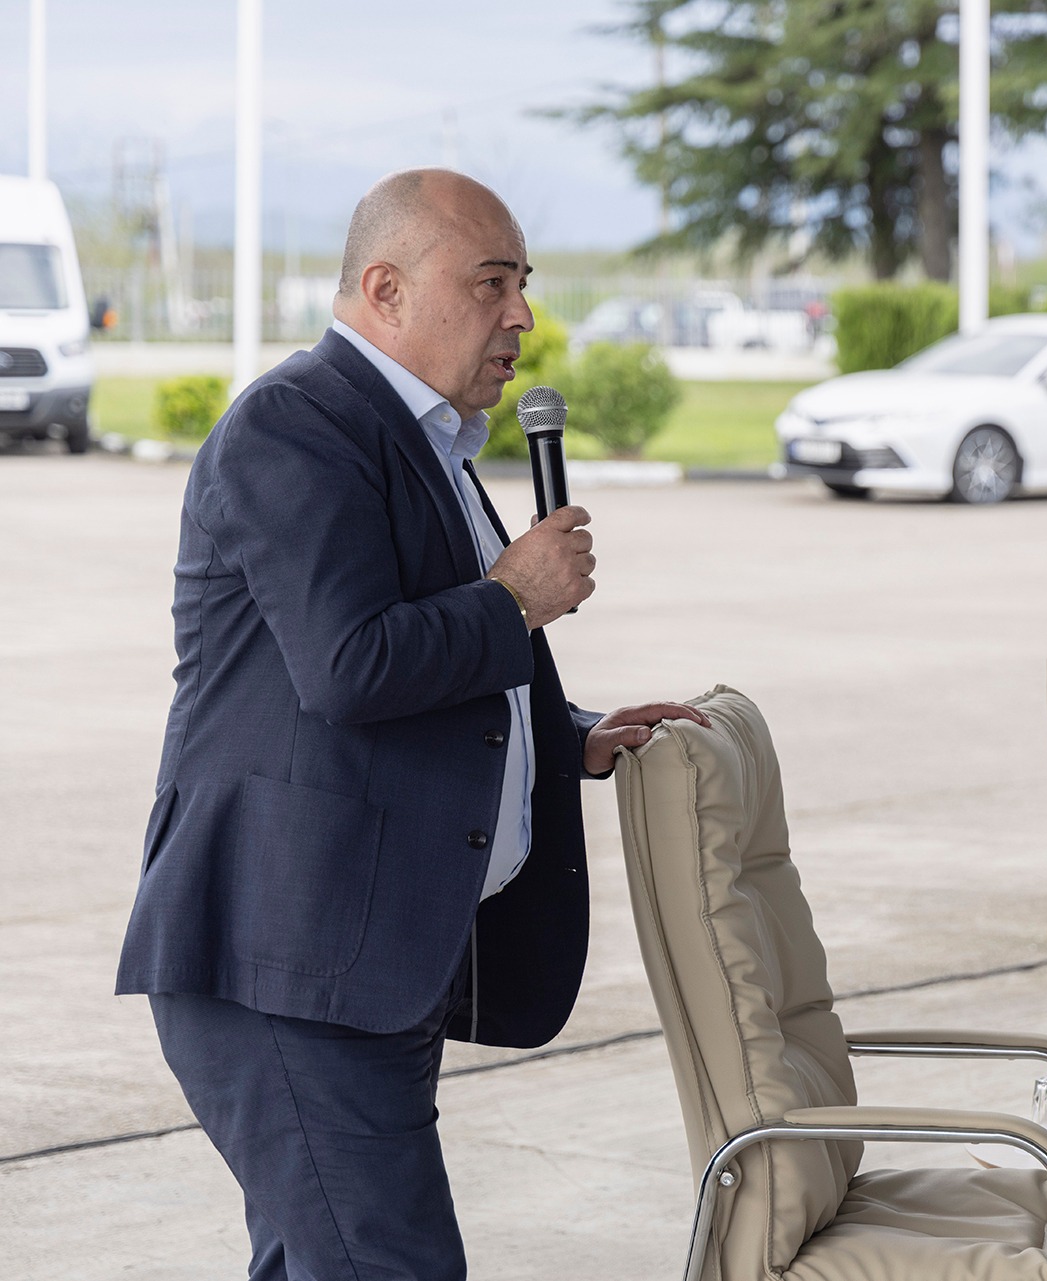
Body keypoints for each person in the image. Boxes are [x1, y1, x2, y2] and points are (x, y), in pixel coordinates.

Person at [115, 169, 707, 1281]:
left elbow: (426, 665)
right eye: (491, 284)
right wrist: (516, 597)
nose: (522, 316)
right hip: (284, 968)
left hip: (362, 962)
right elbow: (350, 664)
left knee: (328, 1258)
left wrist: (565, 732)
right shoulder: (294, 428)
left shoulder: (426, 435)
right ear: (385, 289)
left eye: (522, 285)